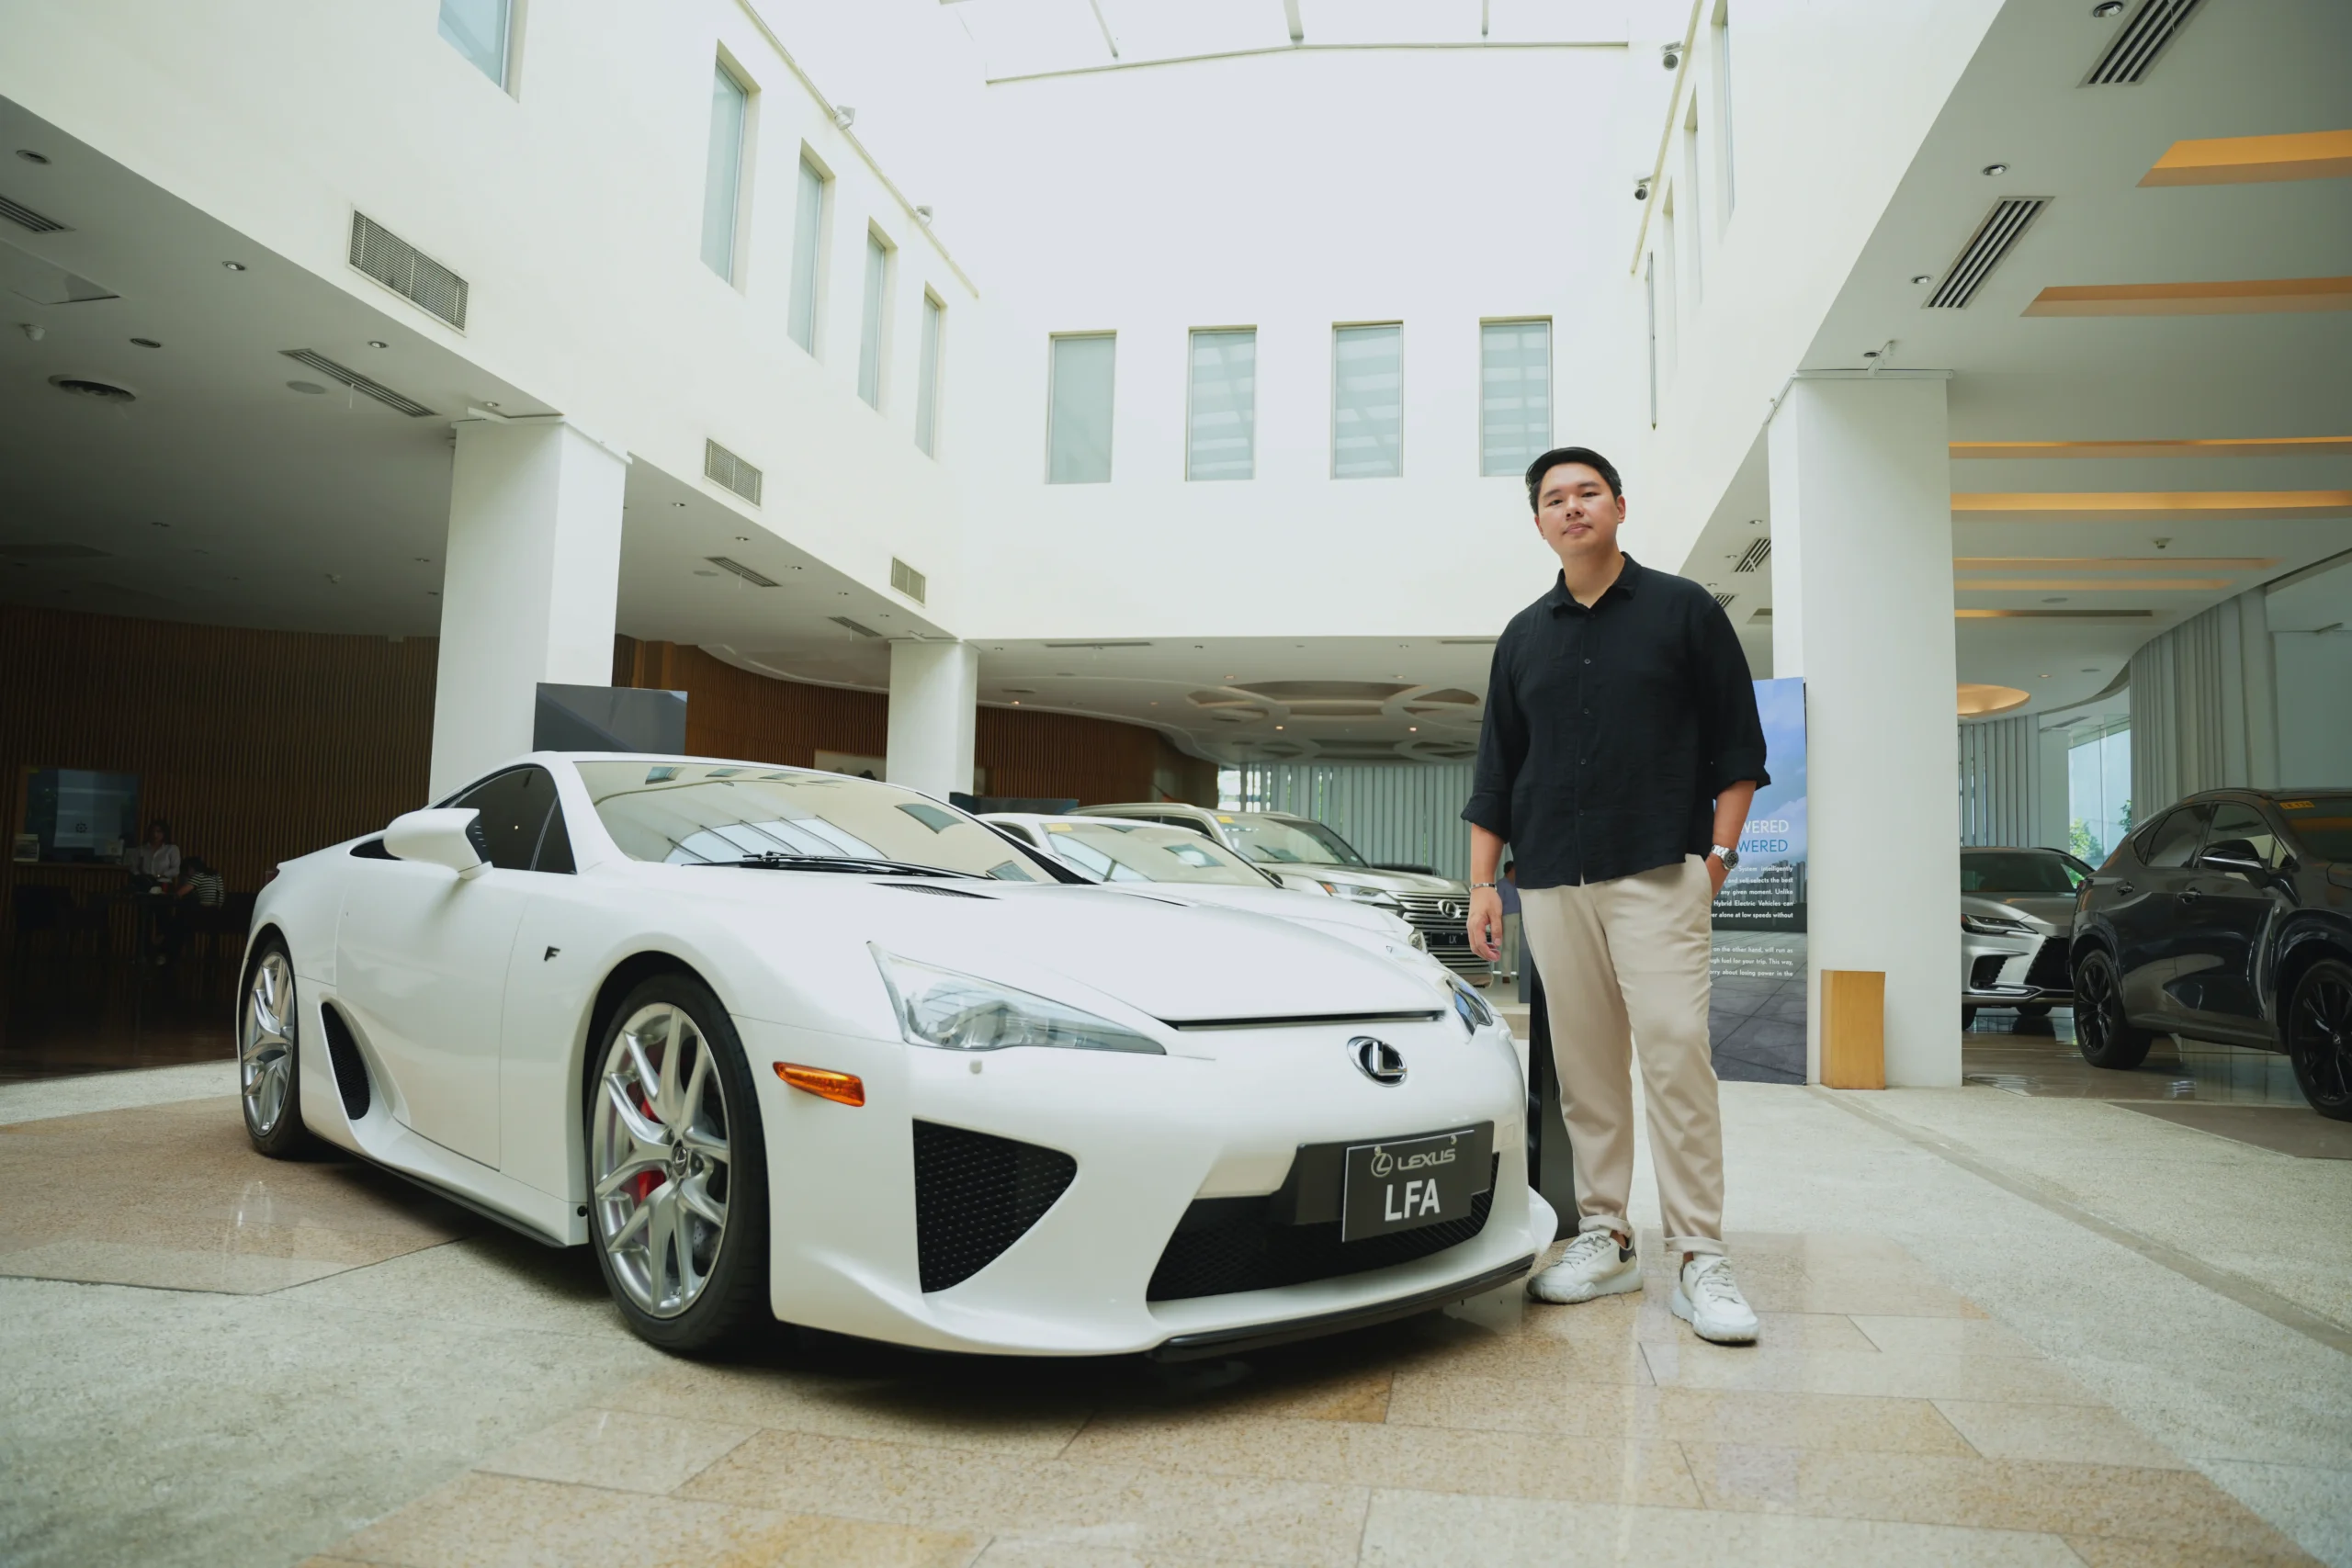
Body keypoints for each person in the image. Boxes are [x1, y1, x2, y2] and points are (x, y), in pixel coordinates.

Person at [1464, 446, 1768, 1346]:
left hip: (1656, 874)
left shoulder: (1683, 612)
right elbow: (1495, 773)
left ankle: (1700, 1254)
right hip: (1552, 883)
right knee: (1588, 1074)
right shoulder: (1523, 636)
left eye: (1586, 492)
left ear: (1619, 507)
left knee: (1675, 1054)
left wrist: (1716, 856)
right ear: (1538, 523)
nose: (1571, 507)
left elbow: (1738, 751)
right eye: (1553, 498)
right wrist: (1484, 883)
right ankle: (1607, 1234)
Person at [128, 818, 180, 888]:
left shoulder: (171, 849)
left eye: (159, 832)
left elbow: (175, 870)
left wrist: (159, 876)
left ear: (164, 833)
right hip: (144, 884)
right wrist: (140, 877)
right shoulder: (141, 849)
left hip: (163, 884)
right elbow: (133, 867)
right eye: (153, 831)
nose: (155, 835)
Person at [1497, 860, 1522, 982]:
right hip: (1506, 917)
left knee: (1520, 946)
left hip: (1520, 917)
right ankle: (1505, 974)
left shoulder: (1518, 884)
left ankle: (1520, 973)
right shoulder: (1501, 884)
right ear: (1510, 871)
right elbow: (1498, 903)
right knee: (1507, 946)